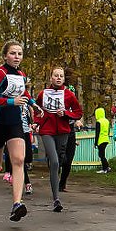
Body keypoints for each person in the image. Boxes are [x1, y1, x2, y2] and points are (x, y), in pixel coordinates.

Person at [0, 42, 33, 221]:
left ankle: (17, 204)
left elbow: (24, 93)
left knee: (19, 160)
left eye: (20, 53)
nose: (17, 56)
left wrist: (34, 105)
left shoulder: (21, 74)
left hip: (14, 122)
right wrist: (10, 102)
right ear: (5, 56)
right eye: (13, 53)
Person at [35, 67, 83, 212]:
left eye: (61, 76)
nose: (58, 78)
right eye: (56, 76)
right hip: (47, 130)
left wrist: (67, 113)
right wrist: (36, 122)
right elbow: (37, 110)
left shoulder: (68, 95)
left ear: (63, 79)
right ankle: (56, 199)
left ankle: (57, 184)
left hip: (63, 131)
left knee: (61, 160)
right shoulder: (43, 93)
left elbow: (78, 112)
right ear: (51, 78)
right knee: (54, 161)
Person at [92, 107, 112, 174]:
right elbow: (108, 131)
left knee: (101, 155)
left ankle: (105, 168)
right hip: (106, 139)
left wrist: (95, 143)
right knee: (102, 154)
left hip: (101, 140)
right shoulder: (107, 121)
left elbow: (97, 133)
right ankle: (106, 167)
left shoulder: (99, 122)